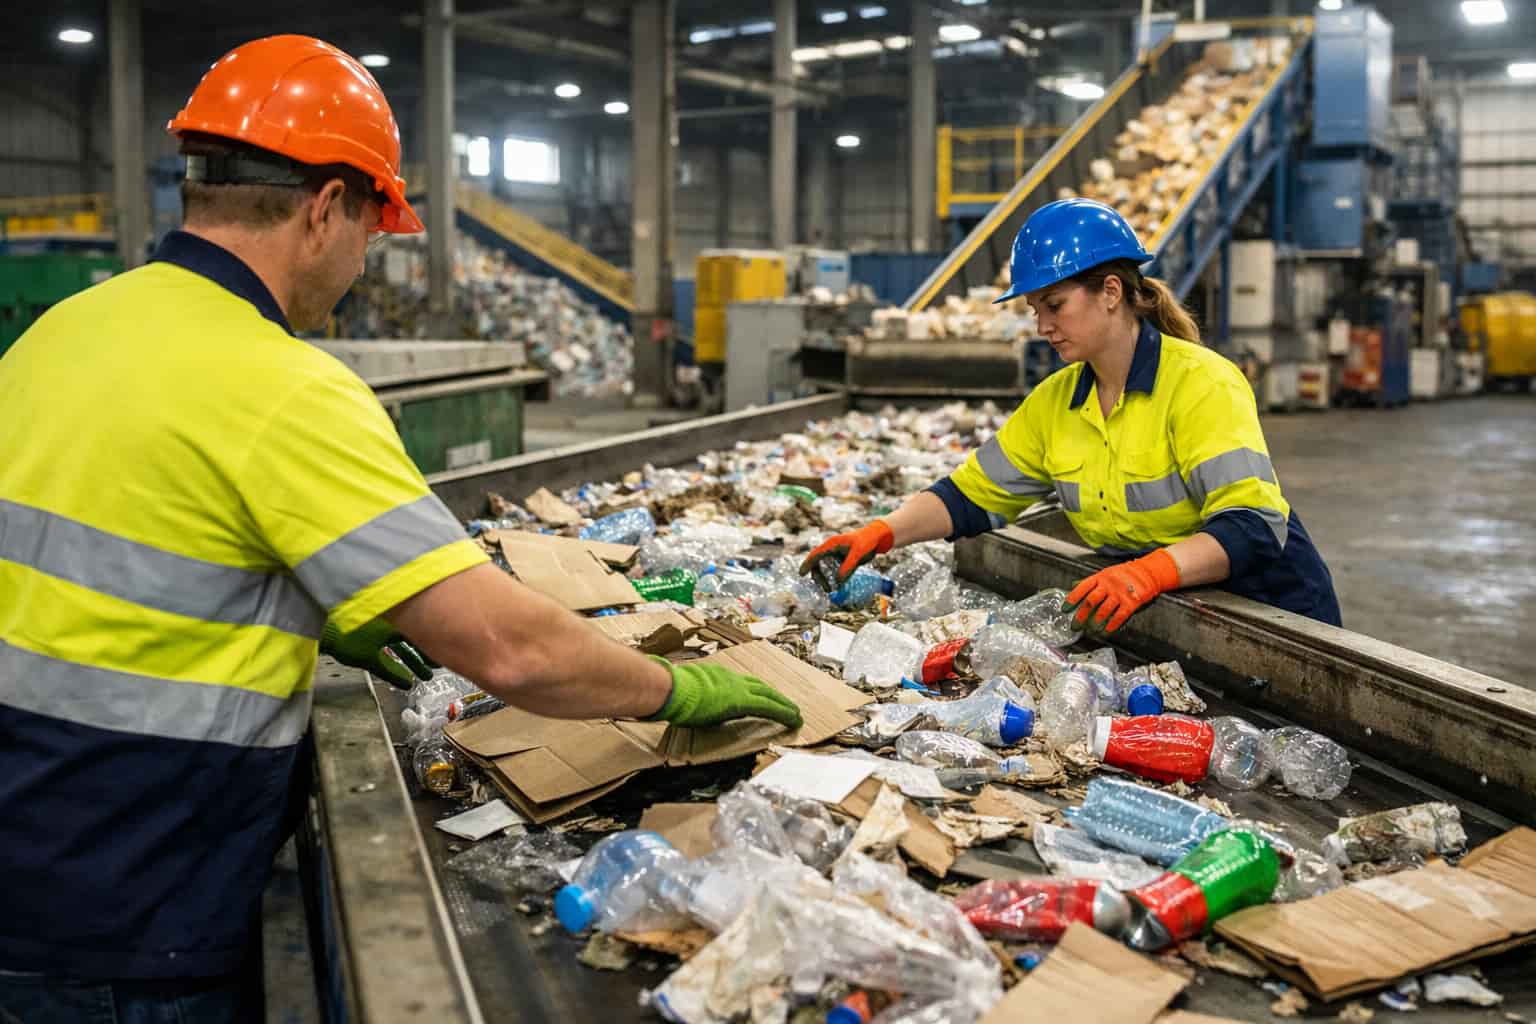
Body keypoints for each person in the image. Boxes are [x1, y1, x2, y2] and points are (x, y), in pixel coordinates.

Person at [0, 35, 799, 1022]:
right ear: (327, 206)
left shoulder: (62, 332)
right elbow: (512, 648)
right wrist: (674, 685)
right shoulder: (281, 387)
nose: (367, 253)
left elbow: (107, 545)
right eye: (376, 224)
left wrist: (280, 599)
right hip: (129, 893)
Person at [803, 198, 1340, 632]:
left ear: (1110, 292)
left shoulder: (1203, 384)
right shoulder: (1057, 402)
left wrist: (1148, 573)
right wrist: (881, 532)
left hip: (1271, 616)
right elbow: (970, 497)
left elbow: (1253, 527)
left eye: (1054, 305)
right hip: (1175, 613)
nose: (1042, 326)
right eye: (1035, 310)